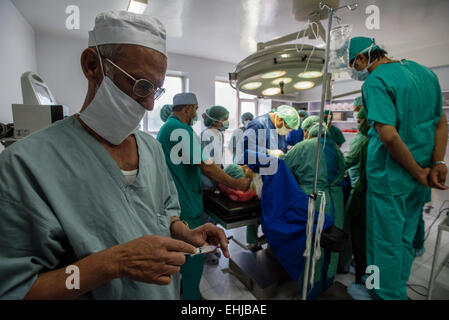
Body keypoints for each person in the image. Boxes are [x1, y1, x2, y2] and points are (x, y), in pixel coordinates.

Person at [0, 11, 231, 300]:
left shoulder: (151, 149)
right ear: (92, 66)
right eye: (140, 85)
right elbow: (19, 290)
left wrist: (183, 231)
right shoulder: (26, 165)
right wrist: (113, 263)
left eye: (156, 91)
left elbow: (162, 213)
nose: (148, 105)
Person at [348, 36, 448, 300]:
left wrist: (415, 171)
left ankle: (385, 294)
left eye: (352, 64)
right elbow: (440, 123)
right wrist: (436, 163)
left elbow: (389, 136)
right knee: (404, 239)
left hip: (390, 178)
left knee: (383, 243)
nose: (355, 70)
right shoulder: (425, 73)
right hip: (419, 179)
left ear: (361, 58)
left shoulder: (376, 81)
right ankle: (395, 288)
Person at [157, 92, 250, 300]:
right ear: (188, 108)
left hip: (176, 202)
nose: (197, 114)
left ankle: (184, 292)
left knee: (181, 253)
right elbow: (206, 166)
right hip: (185, 205)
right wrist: (236, 183)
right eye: (196, 109)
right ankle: (193, 299)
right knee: (194, 254)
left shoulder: (167, 128)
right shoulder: (180, 129)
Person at [281, 122, 345, 299]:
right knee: (329, 247)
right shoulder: (337, 150)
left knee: (313, 248)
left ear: (307, 131)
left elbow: (283, 167)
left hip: (315, 202)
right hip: (336, 203)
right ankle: (326, 288)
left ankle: (309, 292)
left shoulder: (305, 145)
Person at [242, 105, 300, 246]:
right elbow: (246, 151)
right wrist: (269, 152)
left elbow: (281, 146)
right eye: (288, 127)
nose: (288, 131)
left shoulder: (277, 128)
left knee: (272, 210)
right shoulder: (257, 125)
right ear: (280, 119)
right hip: (259, 174)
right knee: (257, 213)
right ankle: (252, 243)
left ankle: (270, 240)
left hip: (274, 175)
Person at [341, 106, 370, 285]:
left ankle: (363, 280)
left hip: (362, 191)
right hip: (370, 193)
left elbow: (349, 160)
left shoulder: (364, 140)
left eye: (360, 121)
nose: (358, 125)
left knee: (354, 233)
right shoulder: (372, 138)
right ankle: (366, 279)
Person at [200, 105, 230, 190]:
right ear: (215, 121)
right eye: (224, 119)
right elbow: (206, 164)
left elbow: (218, 159)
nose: (227, 121)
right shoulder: (206, 135)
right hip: (207, 181)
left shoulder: (220, 134)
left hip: (216, 178)